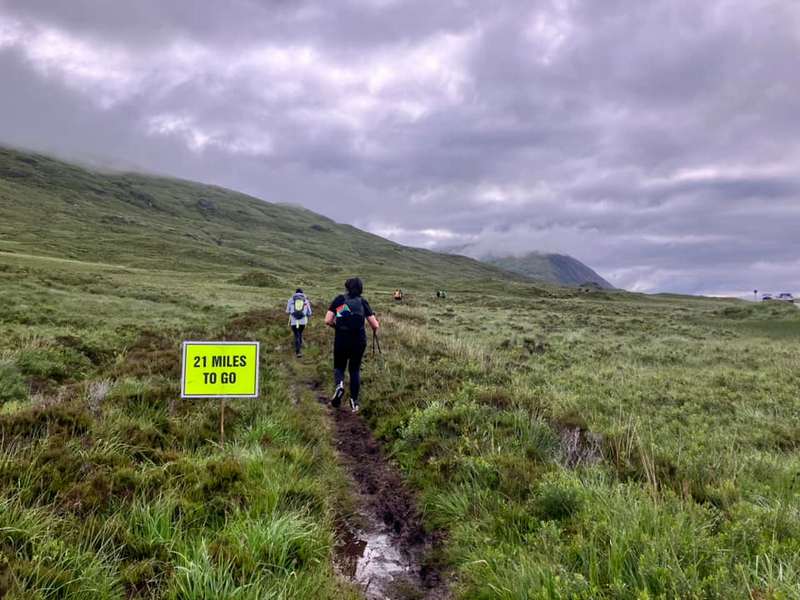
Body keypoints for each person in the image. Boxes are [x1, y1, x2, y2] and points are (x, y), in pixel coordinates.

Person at [325, 277, 379, 412]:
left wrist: (337, 327)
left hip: (342, 339)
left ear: (347, 287)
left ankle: (340, 385)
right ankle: (354, 402)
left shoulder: (340, 300)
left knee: (339, 367)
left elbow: (328, 320)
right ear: (361, 288)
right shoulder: (362, 302)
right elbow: (375, 325)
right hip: (359, 341)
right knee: (354, 370)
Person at [286, 288, 312, 357]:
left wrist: (293, 312)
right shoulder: (306, 300)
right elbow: (309, 313)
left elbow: (287, 311)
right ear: (302, 293)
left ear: (295, 293)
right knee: (299, 333)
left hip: (294, 321)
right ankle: (299, 348)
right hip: (303, 321)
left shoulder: (291, 299)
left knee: (296, 334)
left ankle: (298, 351)